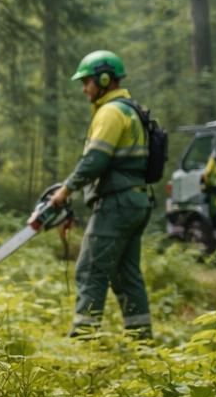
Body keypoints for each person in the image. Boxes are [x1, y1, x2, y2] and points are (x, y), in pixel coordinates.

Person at [48, 50, 153, 338]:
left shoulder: (111, 112)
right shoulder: (131, 109)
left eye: (87, 82)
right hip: (137, 201)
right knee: (126, 275)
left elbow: (95, 160)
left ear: (104, 79)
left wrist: (65, 191)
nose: (84, 89)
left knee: (91, 269)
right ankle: (141, 341)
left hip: (117, 204)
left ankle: (84, 344)